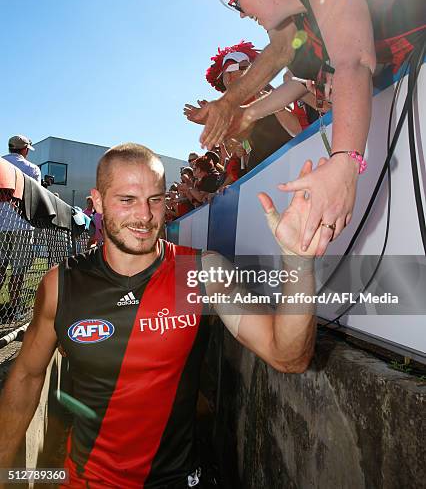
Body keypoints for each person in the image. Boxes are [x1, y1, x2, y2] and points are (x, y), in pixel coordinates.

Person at [0, 142, 319, 488]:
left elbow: (288, 357)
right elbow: (27, 377)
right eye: (127, 200)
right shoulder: (63, 285)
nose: (145, 215)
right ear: (98, 200)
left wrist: (297, 262)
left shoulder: (197, 272)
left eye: (155, 199)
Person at [192, 0, 426, 256]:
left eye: (238, 3)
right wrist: (236, 108)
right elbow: (281, 54)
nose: (241, 17)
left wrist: (345, 163)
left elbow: (353, 62)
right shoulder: (302, 13)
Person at [185, 41, 297, 171]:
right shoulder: (233, 107)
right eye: (225, 74)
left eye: (232, 70)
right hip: (262, 170)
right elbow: (245, 142)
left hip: (290, 157)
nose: (227, 77)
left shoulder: (265, 90)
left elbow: (296, 125)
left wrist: (273, 105)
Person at [0, 135, 41, 320]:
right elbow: (35, 197)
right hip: (21, 224)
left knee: (1, 267)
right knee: (18, 271)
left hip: (1, 224)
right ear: (24, 149)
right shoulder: (31, 168)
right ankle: (14, 309)